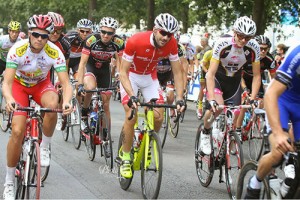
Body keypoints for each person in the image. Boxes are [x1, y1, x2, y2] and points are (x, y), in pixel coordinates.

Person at [2, 14, 73, 200]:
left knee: (53, 103)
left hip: (41, 85)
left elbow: (65, 83)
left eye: (44, 35)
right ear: (29, 33)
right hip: (19, 86)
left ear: (49, 36)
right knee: (17, 131)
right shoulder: (17, 49)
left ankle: (45, 146)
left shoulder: (54, 51)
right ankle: (9, 181)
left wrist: (67, 101)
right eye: (36, 34)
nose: (39, 39)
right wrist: (9, 99)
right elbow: (7, 82)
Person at [119, 13, 186, 179]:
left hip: (150, 78)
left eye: (169, 34)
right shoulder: (136, 40)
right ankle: (126, 156)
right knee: (131, 114)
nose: (165, 37)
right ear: (155, 30)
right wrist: (132, 95)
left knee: (158, 117)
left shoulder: (172, 44)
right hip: (131, 77)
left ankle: (147, 142)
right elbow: (123, 71)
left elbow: (178, 73)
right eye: (163, 32)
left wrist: (179, 97)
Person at [244, 43, 300, 199]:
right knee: (277, 152)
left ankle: (289, 179)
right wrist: (278, 133)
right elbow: (271, 94)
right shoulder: (297, 54)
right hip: (282, 101)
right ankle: (255, 183)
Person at [200, 16, 261, 155]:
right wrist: (211, 100)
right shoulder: (222, 42)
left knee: (236, 113)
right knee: (217, 109)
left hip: (234, 82)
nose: (244, 40)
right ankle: (205, 131)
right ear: (234, 31)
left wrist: (252, 98)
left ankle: (226, 142)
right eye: (241, 36)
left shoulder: (254, 47)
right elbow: (210, 74)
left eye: (248, 37)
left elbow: (257, 76)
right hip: (218, 79)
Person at [77, 17, 125, 146]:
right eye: (103, 32)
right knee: (90, 87)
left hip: (104, 69)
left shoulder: (119, 42)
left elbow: (121, 63)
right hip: (91, 66)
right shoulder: (91, 40)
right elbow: (82, 64)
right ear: (99, 30)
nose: (106, 35)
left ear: (114, 33)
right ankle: (84, 112)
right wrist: (80, 84)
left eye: (109, 33)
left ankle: (106, 134)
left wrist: (120, 78)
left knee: (105, 103)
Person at [235, 35, 276, 141]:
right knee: (244, 102)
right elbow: (238, 75)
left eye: (265, 49)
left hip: (257, 81)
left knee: (261, 103)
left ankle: (250, 125)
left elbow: (274, 78)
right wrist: (244, 89)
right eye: (260, 48)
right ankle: (238, 130)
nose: (262, 51)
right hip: (243, 79)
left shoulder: (269, 59)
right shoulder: (245, 54)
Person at [196, 36, 212, 119]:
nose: (200, 42)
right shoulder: (206, 51)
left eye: (202, 41)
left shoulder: (209, 50)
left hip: (211, 69)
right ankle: (200, 106)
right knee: (202, 87)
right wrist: (207, 72)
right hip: (204, 68)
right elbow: (202, 64)